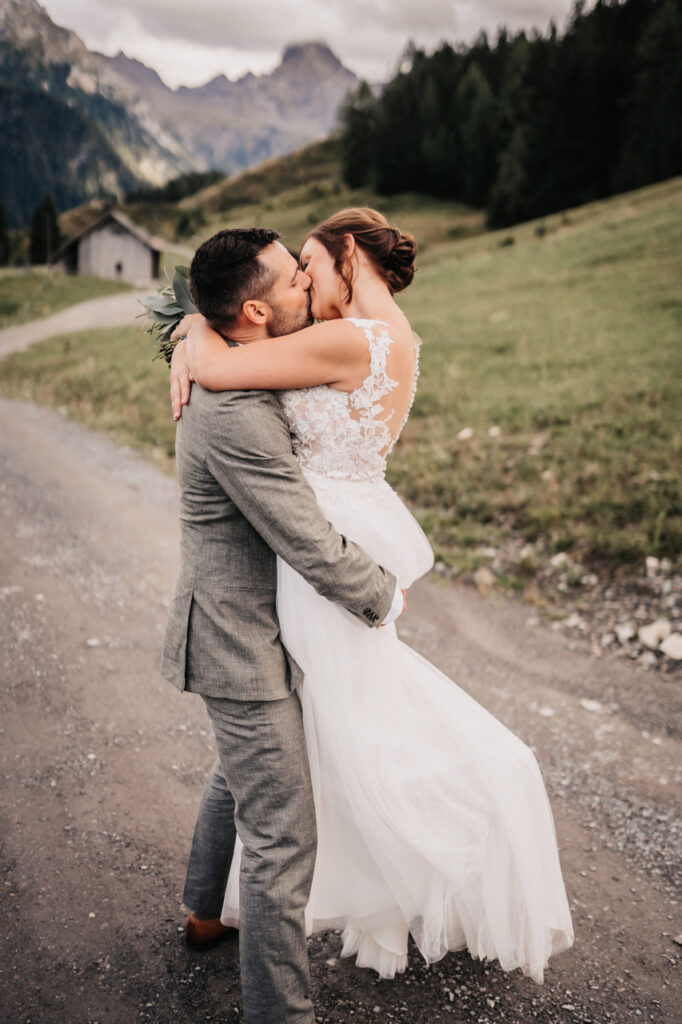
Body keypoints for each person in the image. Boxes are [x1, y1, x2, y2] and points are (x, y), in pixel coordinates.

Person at [171, 208, 574, 992]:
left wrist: (191, 325)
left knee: (335, 727)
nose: (305, 281)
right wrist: (198, 320)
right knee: (278, 728)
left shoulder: (350, 339)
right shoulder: (392, 338)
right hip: (345, 521)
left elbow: (218, 368)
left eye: (310, 265)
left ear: (347, 253)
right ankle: (209, 908)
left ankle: (438, 848)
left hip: (321, 548)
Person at [161, 226, 406, 1024]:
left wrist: (190, 329)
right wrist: (383, 596)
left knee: (240, 769)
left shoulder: (249, 359)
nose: (307, 283)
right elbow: (305, 538)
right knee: (282, 833)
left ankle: (205, 913)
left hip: (265, 622)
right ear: (257, 311)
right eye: (294, 279)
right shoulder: (235, 415)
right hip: (238, 635)